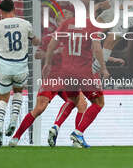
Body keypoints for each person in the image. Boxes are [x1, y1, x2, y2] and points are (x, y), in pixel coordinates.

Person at [8, 10, 87, 147]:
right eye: (66, 19)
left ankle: (72, 136)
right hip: (52, 78)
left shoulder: (74, 39)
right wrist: (55, 53)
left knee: (82, 104)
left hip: (67, 79)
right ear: (58, 22)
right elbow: (37, 55)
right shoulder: (50, 38)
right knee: (39, 108)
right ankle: (16, 137)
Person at [42, 0, 109, 148]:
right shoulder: (92, 25)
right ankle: (78, 133)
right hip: (83, 71)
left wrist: (47, 63)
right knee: (99, 103)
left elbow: (52, 43)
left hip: (66, 71)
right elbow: (97, 48)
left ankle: (55, 126)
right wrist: (103, 67)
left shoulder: (66, 23)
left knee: (72, 100)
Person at [0, 0, 40, 147]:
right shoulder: (25, 24)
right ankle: (14, 120)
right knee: (18, 91)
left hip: (4, 66)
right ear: (14, 8)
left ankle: (0, 127)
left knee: (3, 98)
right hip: (20, 66)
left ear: (1, 11)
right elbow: (35, 41)